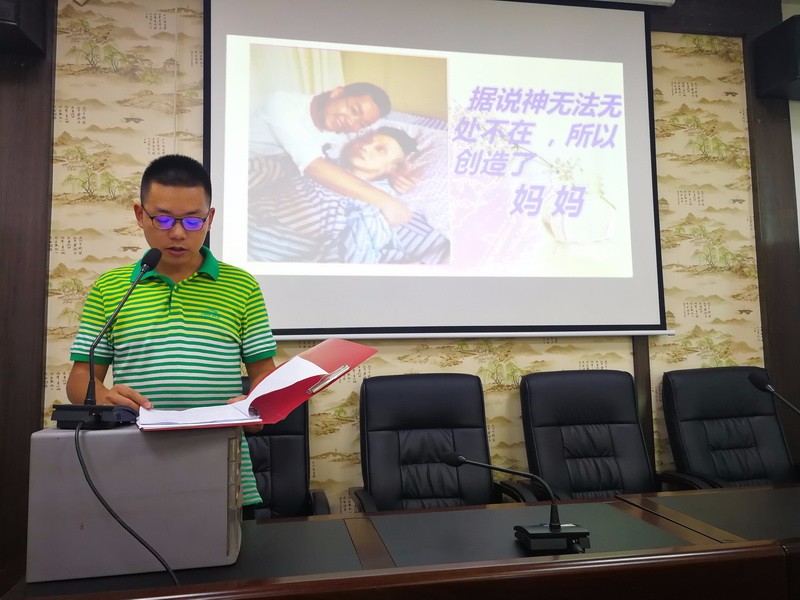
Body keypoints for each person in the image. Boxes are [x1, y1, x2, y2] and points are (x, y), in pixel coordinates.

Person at [66, 154, 277, 510]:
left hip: (223, 465)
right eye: (162, 219)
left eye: (193, 221)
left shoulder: (241, 286)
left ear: (210, 218)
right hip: (135, 463)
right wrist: (103, 397)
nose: (178, 233)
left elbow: (263, 373)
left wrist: (259, 406)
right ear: (139, 215)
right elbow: (79, 380)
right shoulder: (111, 287)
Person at [249, 82, 414, 225]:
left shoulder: (339, 133)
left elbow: (356, 160)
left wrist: (391, 173)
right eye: (353, 110)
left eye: (361, 124)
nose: (351, 122)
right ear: (337, 92)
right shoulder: (282, 104)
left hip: (272, 184)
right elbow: (314, 166)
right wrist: (387, 201)